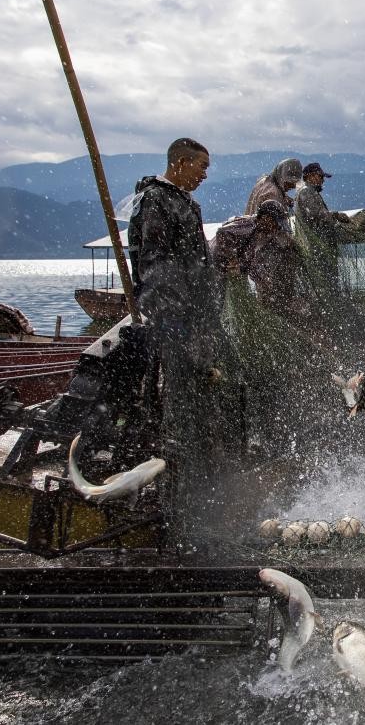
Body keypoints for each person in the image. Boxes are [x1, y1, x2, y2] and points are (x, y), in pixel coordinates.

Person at [127, 137, 232, 544]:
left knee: (203, 398)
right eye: (202, 166)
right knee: (179, 408)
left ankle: (198, 487)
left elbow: (196, 263)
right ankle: (175, 503)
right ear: (182, 162)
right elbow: (155, 266)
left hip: (197, 321)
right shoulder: (155, 201)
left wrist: (207, 317)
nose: (205, 174)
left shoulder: (187, 203)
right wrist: (177, 322)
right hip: (176, 322)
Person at [212, 200, 306, 318]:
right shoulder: (249, 225)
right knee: (215, 305)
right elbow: (223, 232)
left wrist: (264, 282)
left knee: (222, 308)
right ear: (266, 218)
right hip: (214, 267)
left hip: (224, 271)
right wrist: (232, 259)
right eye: (275, 222)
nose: (277, 227)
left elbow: (252, 265)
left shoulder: (263, 236)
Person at [294, 162, 350, 292]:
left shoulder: (308, 191)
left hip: (318, 247)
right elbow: (316, 214)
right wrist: (336, 215)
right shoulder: (306, 191)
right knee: (325, 285)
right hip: (317, 248)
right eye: (320, 176)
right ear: (309, 176)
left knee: (326, 283)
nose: (322, 180)